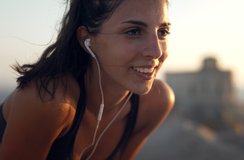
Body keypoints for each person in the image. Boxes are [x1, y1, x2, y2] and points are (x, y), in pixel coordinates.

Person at [0, 0, 175, 159]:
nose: (156, 51)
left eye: (163, 31)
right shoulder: (49, 102)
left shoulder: (155, 103)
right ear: (87, 39)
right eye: (134, 31)